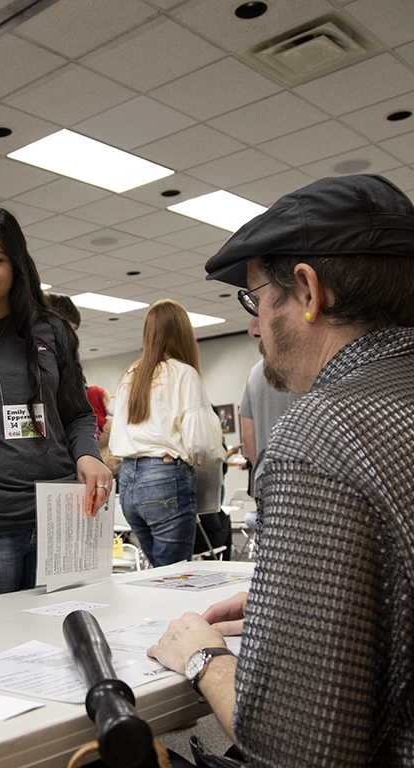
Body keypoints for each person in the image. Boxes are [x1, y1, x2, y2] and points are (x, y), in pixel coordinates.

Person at [149, 174, 414, 767]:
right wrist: (305, 600)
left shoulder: (320, 433)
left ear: (308, 290)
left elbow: (299, 752)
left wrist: (203, 659)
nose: (253, 325)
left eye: (255, 299)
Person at [0, 207, 111, 601]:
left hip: (63, 520)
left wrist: (88, 455)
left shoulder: (52, 330)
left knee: (64, 640)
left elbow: (77, 413)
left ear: (17, 264)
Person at [110, 300, 225, 567]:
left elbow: (118, 434)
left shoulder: (130, 374)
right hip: (164, 478)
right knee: (172, 575)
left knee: (156, 571)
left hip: (128, 482)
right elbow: (202, 444)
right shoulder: (183, 373)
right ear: (184, 333)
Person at [239, 359, 299, 506]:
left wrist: (260, 464)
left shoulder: (254, 374)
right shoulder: (311, 364)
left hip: (266, 480)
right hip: (306, 480)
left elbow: (247, 435)